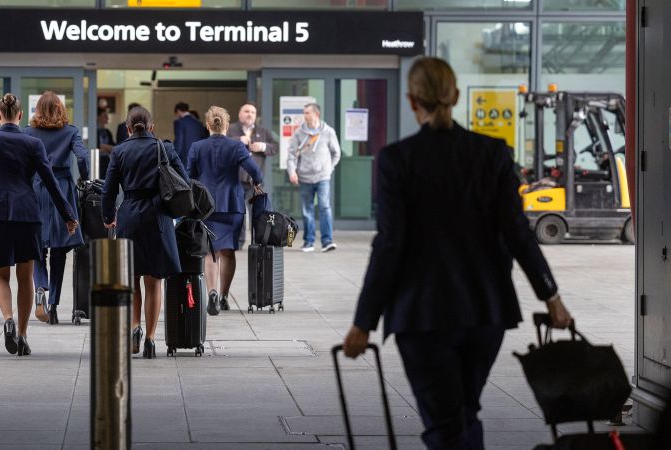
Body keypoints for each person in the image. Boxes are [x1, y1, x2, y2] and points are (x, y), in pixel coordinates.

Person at [341, 57, 573, 450]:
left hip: (422, 315)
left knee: (445, 424)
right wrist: (551, 297)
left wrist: (364, 322)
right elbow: (518, 234)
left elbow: (390, 246)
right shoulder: (493, 154)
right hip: (485, 312)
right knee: (463, 413)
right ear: (457, 96)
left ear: (412, 100)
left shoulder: (398, 160)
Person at [0, 93, 78, 357]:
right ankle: (22, 335)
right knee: (26, 276)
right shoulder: (33, 143)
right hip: (27, 213)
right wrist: (68, 215)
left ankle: (8, 319)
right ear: (21, 116)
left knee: (0, 275)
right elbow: (51, 182)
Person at [101, 106, 190, 359]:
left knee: (132, 279)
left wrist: (108, 217)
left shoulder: (119, 152)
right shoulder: (165, 148)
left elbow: (108, 191)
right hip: (159, 218)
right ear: (151, 127)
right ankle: (151, 339)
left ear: (128, 129)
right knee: (154, 280)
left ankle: (134, 328)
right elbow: (183, 181)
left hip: (129, 218)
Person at [187, 106, 263, 316]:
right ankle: (223, 296)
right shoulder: (237, 147)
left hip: (206, 207)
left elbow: (189, 177)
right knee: (228, 251)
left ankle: (211, 292)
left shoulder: (197, 147)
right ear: (227, 125)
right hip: (233, 205)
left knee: (211, 252)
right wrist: (256, 182)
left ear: (207, 125)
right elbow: (256, 172)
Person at [24, 91, 89, 325]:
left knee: (37, 248)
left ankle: (40, 287)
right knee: (60, 251)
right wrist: (85, 177)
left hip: (36, 188)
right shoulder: (70, 131)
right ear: (61, 109)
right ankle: (52, 305)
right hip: (62, 189)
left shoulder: (28, 132)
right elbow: (82, 157)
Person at [286, 103, 341, 253]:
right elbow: (291, 156)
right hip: (304, 177)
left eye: (307, 113)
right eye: (304, 113)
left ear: (316, 114)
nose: (305, 115)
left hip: (323, 177)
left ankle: (327, 241)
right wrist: (292, 172)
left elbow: (336, 153)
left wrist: (329, 169)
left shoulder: (328, 132)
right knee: (307, 210)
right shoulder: (299, 134)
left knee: (324, 207)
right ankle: (309, 242)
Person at [227, 102, 278, 249]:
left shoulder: (262, 131)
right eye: (246, 111)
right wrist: (238, 140)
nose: (250, 114)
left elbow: (275, 147)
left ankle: (257, 242)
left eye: (253, 112)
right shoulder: (231, 129)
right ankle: (238, 242)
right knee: (238, 213)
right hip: (235, 179)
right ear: (240, 114)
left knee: (258, 213)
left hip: (255, 182)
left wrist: (263, 146)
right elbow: (221, 143)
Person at [173, 102, 208, 166]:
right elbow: (203, 139)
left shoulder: (179, 122)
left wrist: (174, 156)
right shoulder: (198, 123)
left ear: (178, 111)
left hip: (185, 157)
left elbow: (179, 141)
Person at [97, 107, 115, 174]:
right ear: (98, 117)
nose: (107, 118)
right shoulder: (93, 131)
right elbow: (93, 148)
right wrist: (107, 148)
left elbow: (114, 148)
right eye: (105, 116)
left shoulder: (108, 132)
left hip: (106, 161)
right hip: (96, 160)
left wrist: (103, 146)